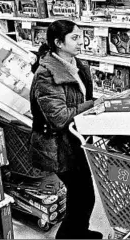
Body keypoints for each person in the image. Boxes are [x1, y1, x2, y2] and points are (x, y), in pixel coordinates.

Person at [29, 20, 103, 239]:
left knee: (83, 194)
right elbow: (59, 117)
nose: (82, 41)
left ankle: (80, 232)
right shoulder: (46, 74)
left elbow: (80, 99)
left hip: (73, 141)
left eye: (81, 36)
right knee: (83, 195)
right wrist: (92, 106)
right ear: (58, 43)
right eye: (75, 37)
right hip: (57, 146)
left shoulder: (77, 64)